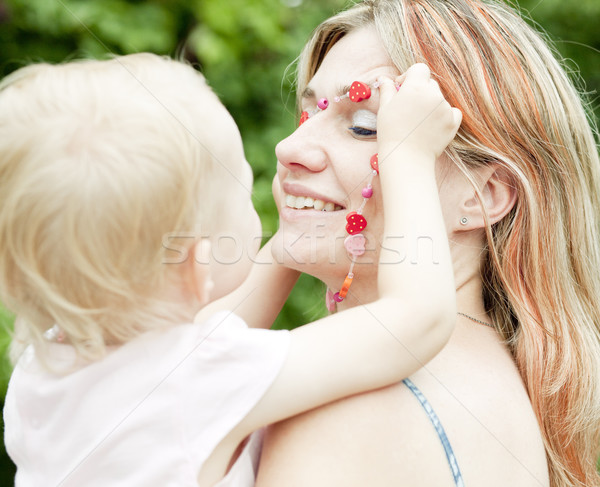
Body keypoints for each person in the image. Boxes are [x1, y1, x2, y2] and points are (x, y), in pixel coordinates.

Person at [0, 53, 461, 486]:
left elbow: (205, 330)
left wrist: (306, 223)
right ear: (198, 264)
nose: (287, 151)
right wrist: (407, 152)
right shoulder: (204, 381)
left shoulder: (43, 368)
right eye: (244, 193)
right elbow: (416, 318)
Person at [257, 1, 600, 486]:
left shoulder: (348, 401)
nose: (288, 149)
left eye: (365, 127)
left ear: (481, 197)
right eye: (307, 114)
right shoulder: (501, 387)